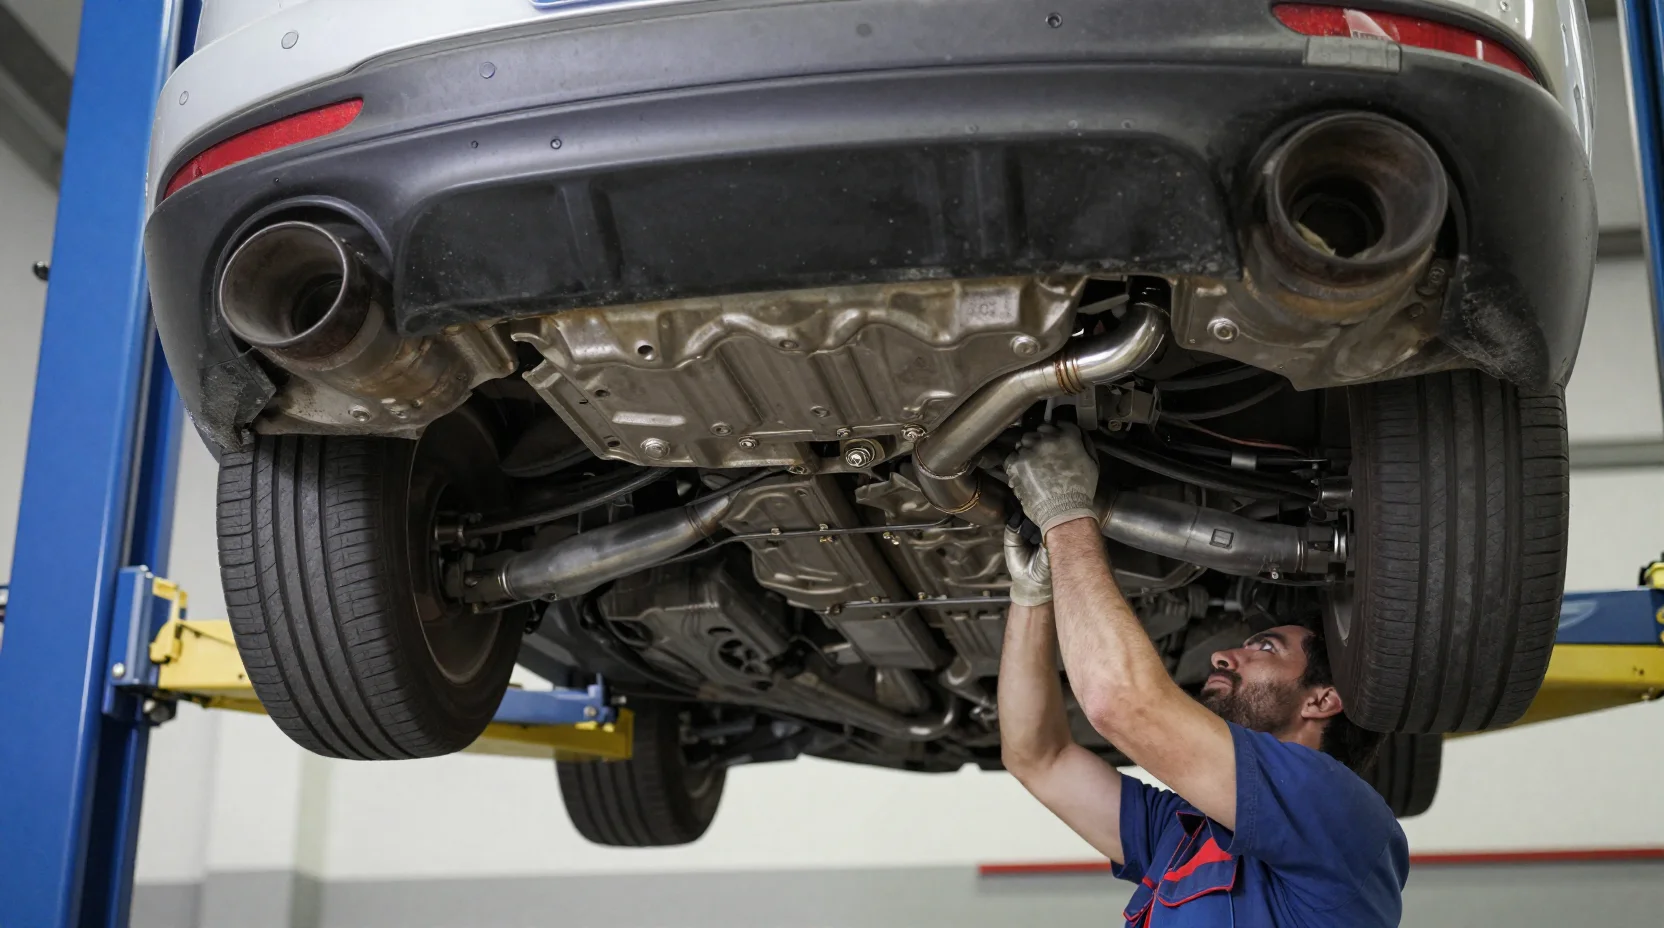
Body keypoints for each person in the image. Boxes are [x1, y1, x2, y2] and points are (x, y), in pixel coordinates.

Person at [997, 423, 1407, 927]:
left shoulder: (1338, 814)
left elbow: (1110, 710)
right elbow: (1040, 755)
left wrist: (1064, 514)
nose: (1222, 657)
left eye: (1264, 647)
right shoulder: (1188, 830)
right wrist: (1032, 595)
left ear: (1322, 701)